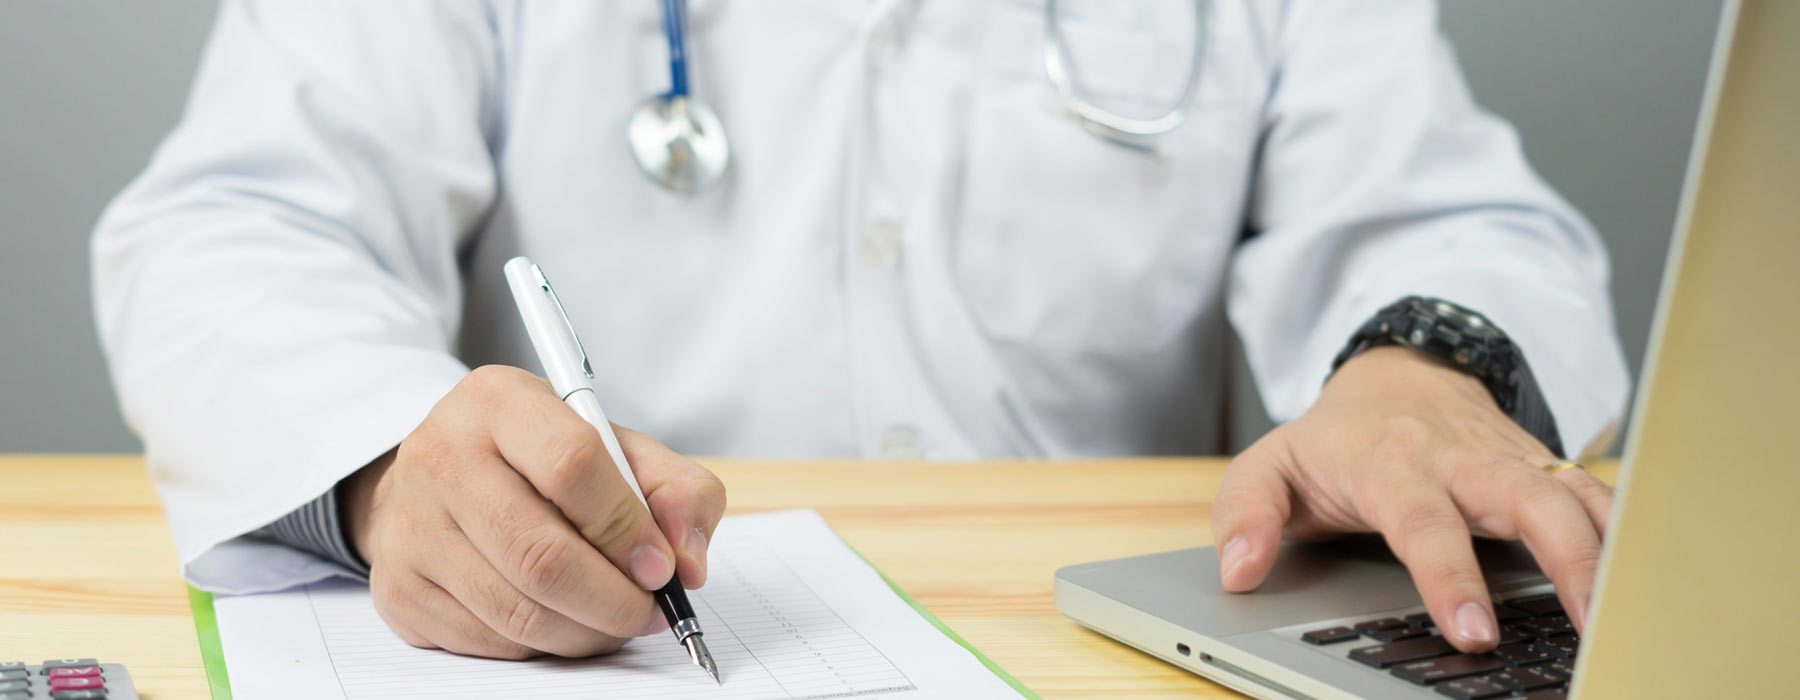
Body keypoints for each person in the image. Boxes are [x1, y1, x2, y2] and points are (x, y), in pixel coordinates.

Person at [92, 0, 1627, 662]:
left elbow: (1447, 211)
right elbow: (237, 223)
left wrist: (1424, 369)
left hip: (1086, 651)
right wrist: (391, 465)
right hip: (582, 651)